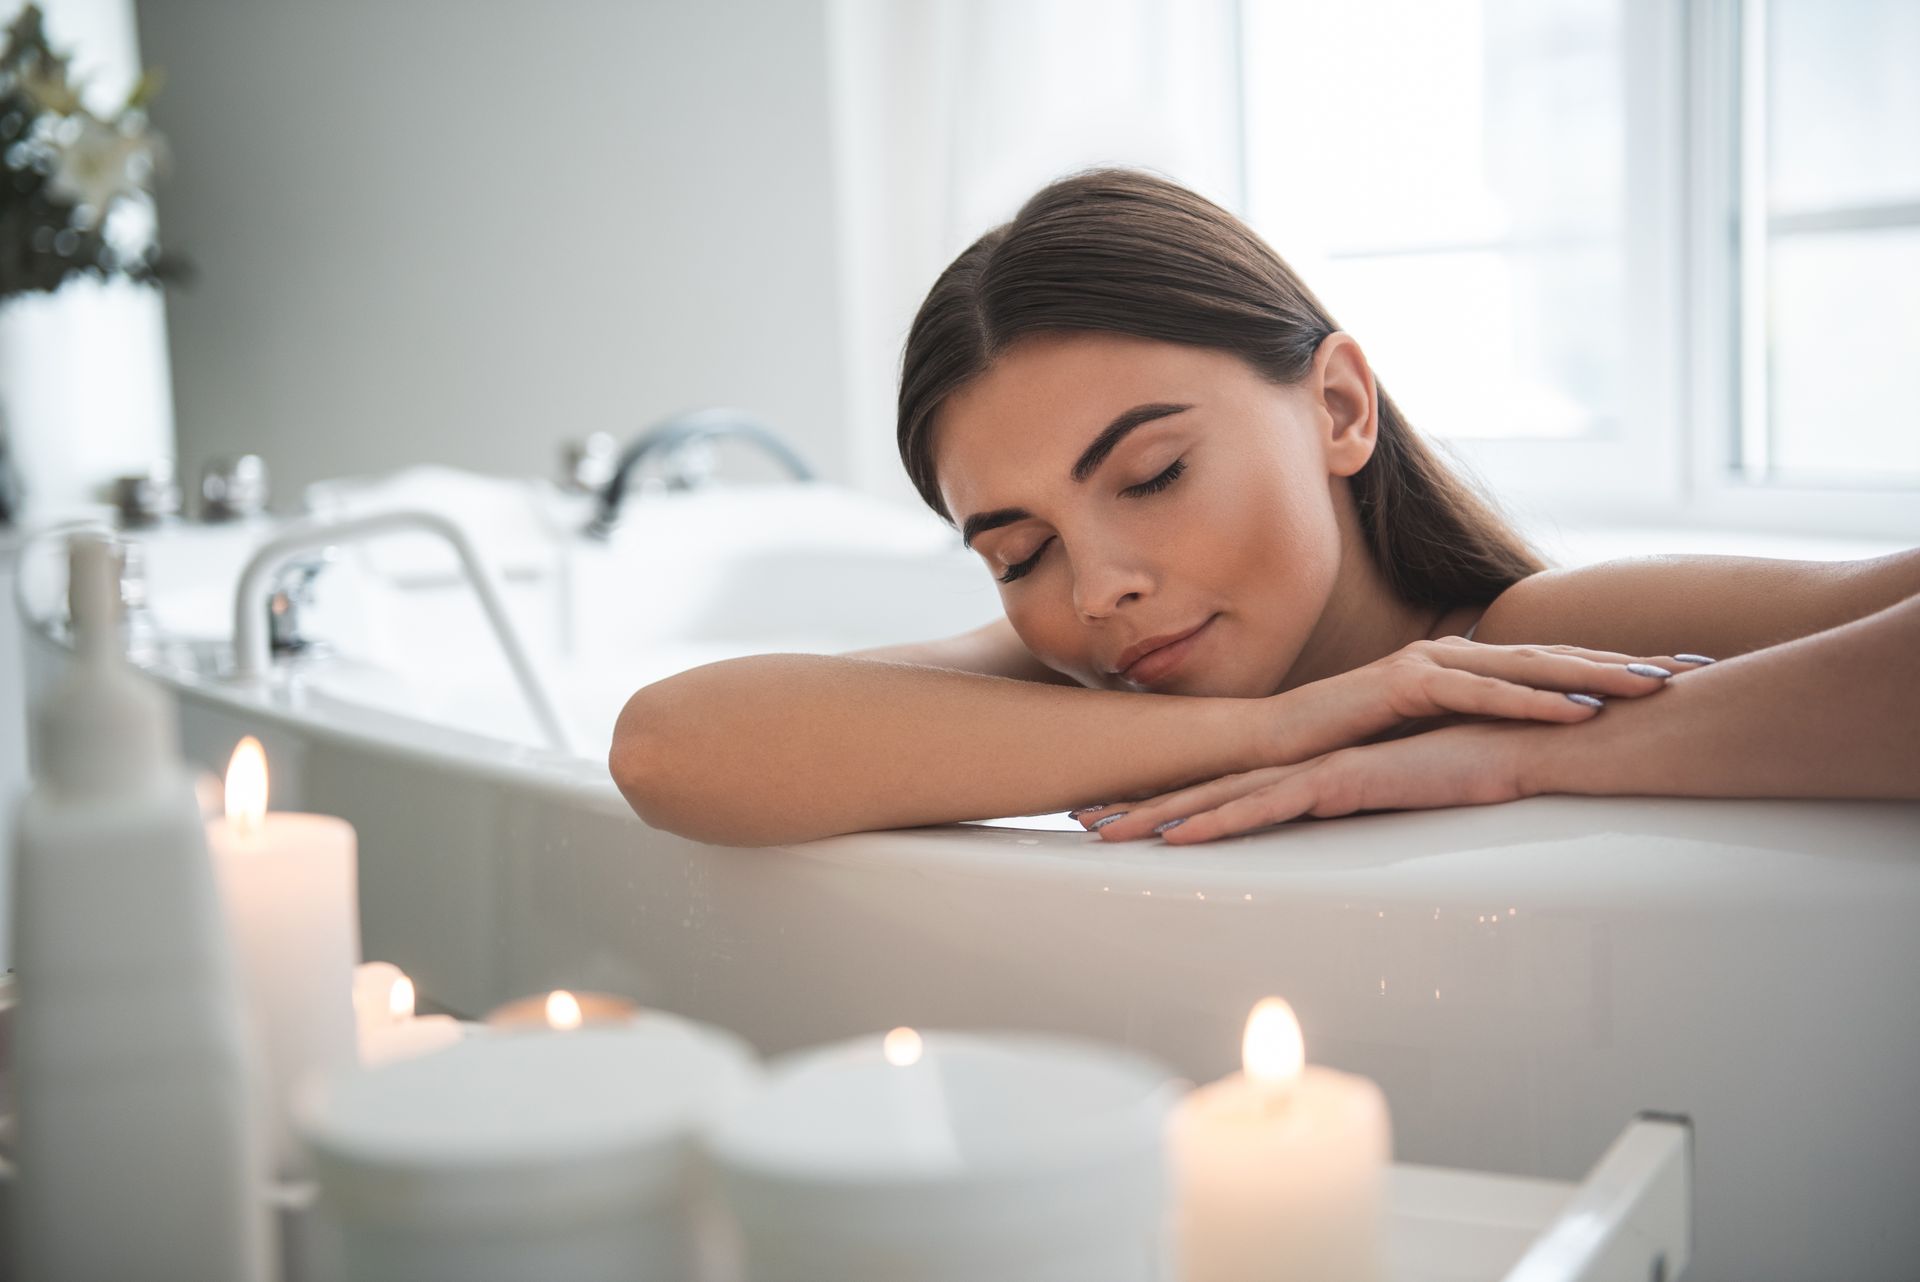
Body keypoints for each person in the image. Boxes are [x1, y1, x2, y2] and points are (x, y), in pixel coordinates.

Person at [610, 169, 1919, 847]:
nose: (1096, 584)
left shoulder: (1524, 634)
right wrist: (1275, 725)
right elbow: (675, 748)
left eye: (1153, 475)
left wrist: (1524, 751)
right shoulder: (1091, 667)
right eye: (1019, 551)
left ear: (1340, 407)